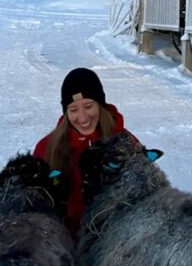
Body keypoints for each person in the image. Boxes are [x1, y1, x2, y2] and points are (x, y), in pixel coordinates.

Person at [34, 67, 133, 238]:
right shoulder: (46, 148)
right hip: (61, 247)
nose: (83, 117)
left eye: (88, 106)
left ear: (100, 105)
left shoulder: (126, 145)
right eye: (73, 109)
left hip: (111, 244)